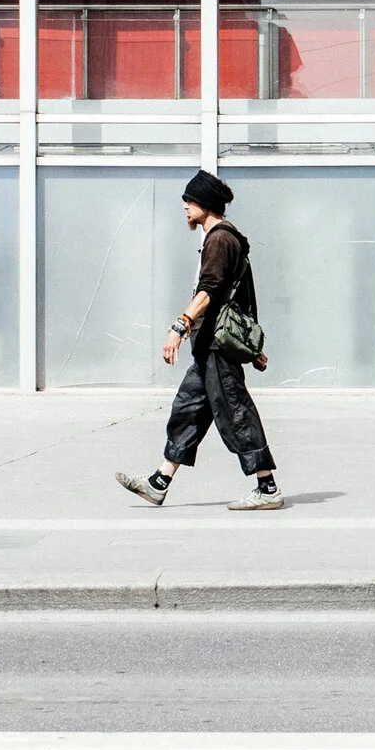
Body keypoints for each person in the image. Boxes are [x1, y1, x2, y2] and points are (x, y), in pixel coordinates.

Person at [116, 170, 283, 511]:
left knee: (235, 413)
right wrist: (254, 350)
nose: (185, 206)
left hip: (217, 348)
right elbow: (242, 298)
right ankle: (159, 483)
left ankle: (267, 487)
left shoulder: (221, 239)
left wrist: (179, 326)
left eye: (189, 200)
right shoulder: (222, 239)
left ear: (205, 203)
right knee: (188, 410)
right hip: (209, 346)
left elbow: (211, 290)